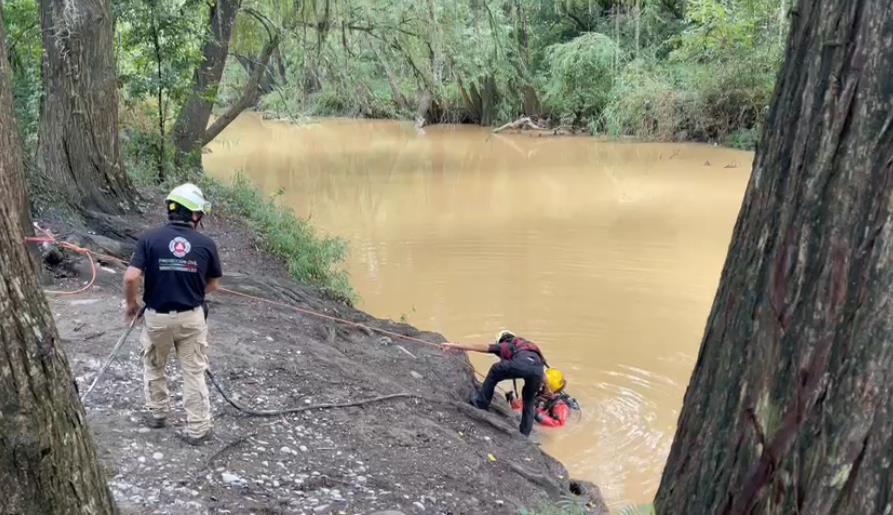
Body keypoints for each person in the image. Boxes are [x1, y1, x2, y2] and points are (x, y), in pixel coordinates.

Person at [123, 183, 222, 445]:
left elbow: (131, 276)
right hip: (192, 317)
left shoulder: (149, 239)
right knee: (193, 371)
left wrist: (131, 305)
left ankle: (157, 414)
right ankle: (199, 428)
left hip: (157, 318)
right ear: (195, 215)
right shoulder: (206, 243)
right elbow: (213, 284)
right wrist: (190, 289)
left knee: (155, 364)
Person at [442, 330, 547, 436]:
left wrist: (456, 346)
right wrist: (548, 390)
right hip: (538, 370)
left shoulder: (507, 345)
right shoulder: (529, 346)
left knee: (495, 369)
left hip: (521, 364)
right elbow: (543, 374)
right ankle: (525, 434)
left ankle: (481, 402)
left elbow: (482, 347)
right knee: (529, 401)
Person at [507, 368, 578, 428]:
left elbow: (558, 424)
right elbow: (523, 406)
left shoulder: (560, 405)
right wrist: (512, 400)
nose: (539, 385)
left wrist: (536, 414)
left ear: (551, 387)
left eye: (543, 384)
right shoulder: (540, 395)